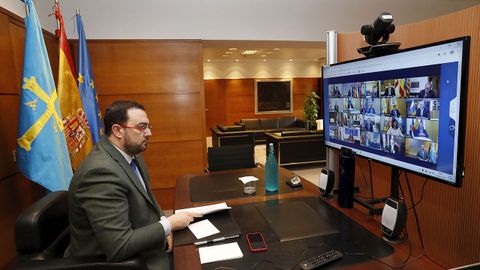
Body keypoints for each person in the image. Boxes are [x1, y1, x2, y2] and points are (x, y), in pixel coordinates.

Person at [66, 100, 202, 269]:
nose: (149, 133)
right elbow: (118, 247)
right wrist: (168, 225)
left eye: (149, 127)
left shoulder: (131, 154)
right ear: (117, 130)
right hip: (119, 262)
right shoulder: (100, 173)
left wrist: (162, 222)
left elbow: (148, 199)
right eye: (141, 127)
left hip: (145, 245)